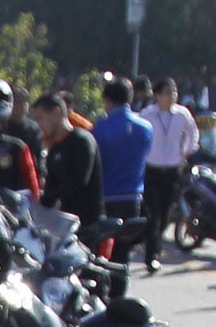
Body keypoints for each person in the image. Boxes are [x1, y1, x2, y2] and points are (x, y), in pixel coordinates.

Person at [90, 75, 152, 290]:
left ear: (107, 100)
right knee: (123, 254)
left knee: (101, 255)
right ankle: (119, 296)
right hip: (133, 197)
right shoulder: (145, 129)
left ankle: (101, 295)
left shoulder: (99, 130)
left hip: (105, 197)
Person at [138, 77, 197, 269]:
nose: (172, 96)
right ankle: (152, 255)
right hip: (152, 168)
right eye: (168, 92)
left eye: (174, 92)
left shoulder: (182, 114)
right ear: (158, 95)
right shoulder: (147, 114)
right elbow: (138, 134)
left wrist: (187, 150)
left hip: (173, 169)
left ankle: (151, 239)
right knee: (153, 212)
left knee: (165, 213)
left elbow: (193, 133)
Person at [32, 92, 102, 226]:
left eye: (41, 118)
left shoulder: (82, 141)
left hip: (89, 224)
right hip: (65, 224)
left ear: (57, 113)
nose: (39, 124)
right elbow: (50, 191)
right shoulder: (54, 150)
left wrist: (50, 196)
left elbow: (79, 181)